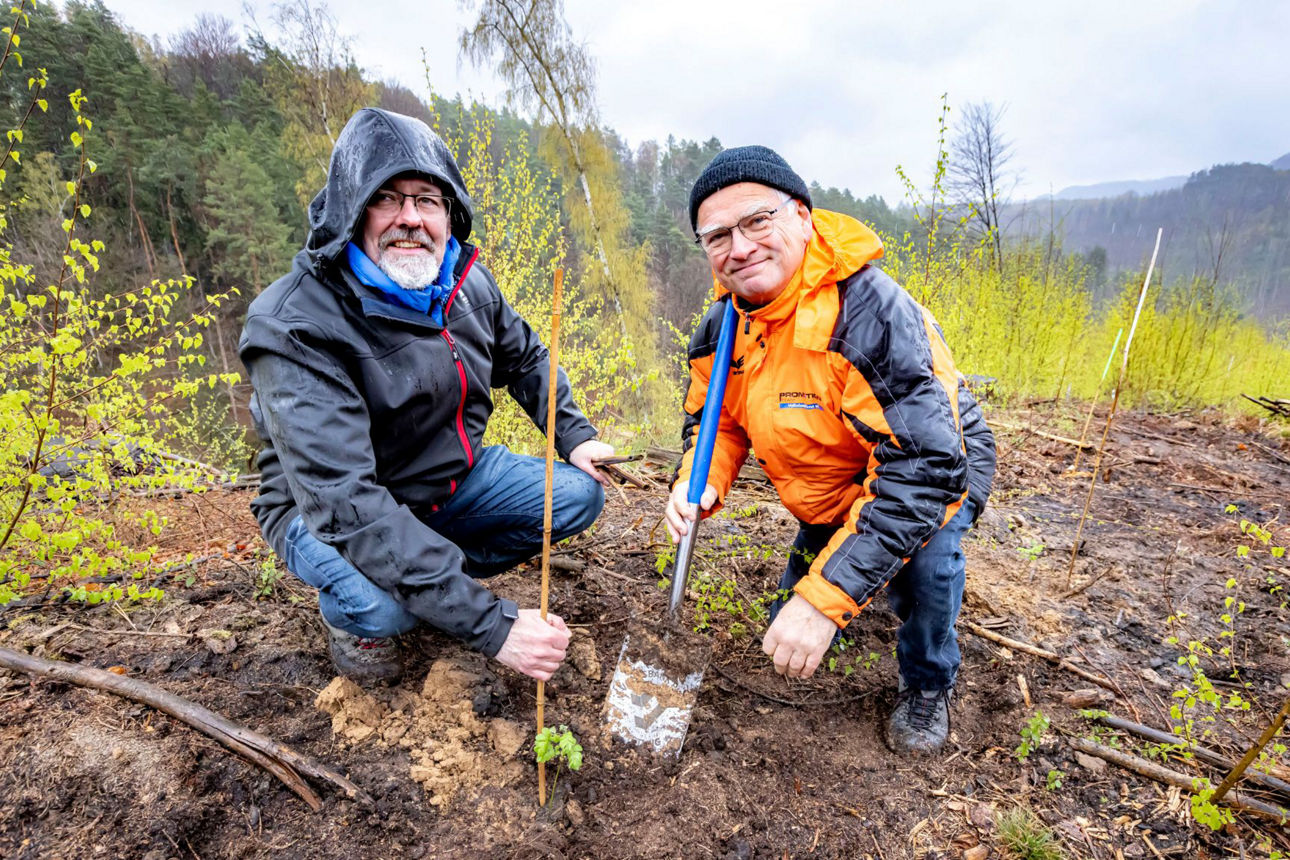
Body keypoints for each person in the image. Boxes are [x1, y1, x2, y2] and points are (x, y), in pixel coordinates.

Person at [240, 108, 614, 686]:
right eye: (387, 198)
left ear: (448, 214)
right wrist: (495, 627)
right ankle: (360, 613)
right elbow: (349, 504)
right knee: (386, 607)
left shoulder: (465, 283)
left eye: (427, 200)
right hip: (330, 513)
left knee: (577, 495)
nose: (410, 218)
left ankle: (429, 578)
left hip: (449, 482)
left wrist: (574, 433)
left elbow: (526, 357)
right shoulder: (294, 325)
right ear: (353, 210)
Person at [664, 146, 996, 755]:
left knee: (923, 565)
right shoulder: (723, 325)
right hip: (835, 478)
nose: (738, 248)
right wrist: (700, 479)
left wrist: (822, 602)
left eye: (756, 221)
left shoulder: (869, 314)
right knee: (800, 610)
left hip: (934, 467)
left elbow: (922, 470)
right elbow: (718, 425)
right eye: (716, 235)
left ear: (801, 215)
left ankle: (927, 681)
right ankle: (833, 578)